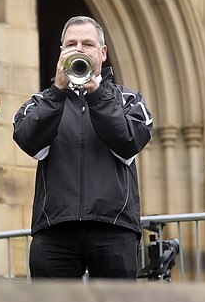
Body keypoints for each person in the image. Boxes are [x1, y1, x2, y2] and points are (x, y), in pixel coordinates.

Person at [13, 16, 153, 279]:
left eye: (87, 44)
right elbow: (28, 140)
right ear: (61, 52)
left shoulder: (129, 99)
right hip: (55, 229)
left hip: (113, 227)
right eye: (71, 44)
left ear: (103, 52)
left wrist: (96, 93)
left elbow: (129, 142)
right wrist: (57, 92)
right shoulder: (41, 101)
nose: (79, 49)